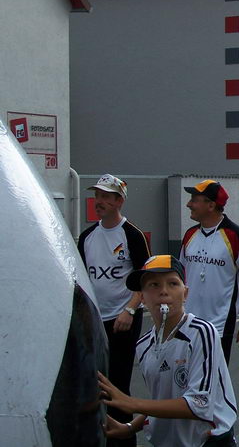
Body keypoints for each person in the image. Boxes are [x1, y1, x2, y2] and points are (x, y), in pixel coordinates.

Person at [99, 255, 237, 447]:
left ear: (185, 293)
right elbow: (163, 400)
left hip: (208, 441)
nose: (164, 291)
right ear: (142, 298)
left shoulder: (201, 332)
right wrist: (130, 427)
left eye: (173, 283)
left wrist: (131, 403)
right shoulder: (144, 344)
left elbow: (199, 404)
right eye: (153, 285)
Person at [77, 174, 151, 447]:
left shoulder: (132, 235)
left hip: (124, 320)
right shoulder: (87, 237)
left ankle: (124, 440)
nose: (100, 201)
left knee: (118, 383)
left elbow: (146, 281)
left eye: (106, 196)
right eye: (97, 196)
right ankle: (100, 435)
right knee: (95, 382)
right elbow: (81, 280)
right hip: (96, 321)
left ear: (119, 200)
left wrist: (129, 311)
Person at [180, 180, 239, 364]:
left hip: (218, 326)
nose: (188, 204)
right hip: (186, 324)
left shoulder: (236, 236)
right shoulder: (189, 235)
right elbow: (179, 277)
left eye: (194, 199)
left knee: (213, 384)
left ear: (211, 205)